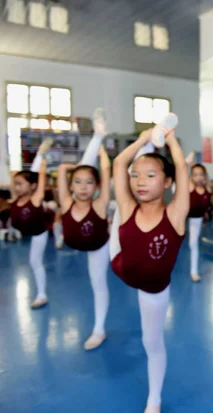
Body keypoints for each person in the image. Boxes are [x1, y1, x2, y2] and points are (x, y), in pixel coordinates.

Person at [109, 114, 189, 413]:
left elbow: (181, 166)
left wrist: (168, 136)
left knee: (151, 342)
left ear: (168, 182)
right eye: (136, 175)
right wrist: (143, 139)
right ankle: (111, 228)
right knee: (118, 220)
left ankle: (153, 399)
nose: (140, 182)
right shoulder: (129, 205)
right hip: (120, 264)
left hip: (153, 289)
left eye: (151, 175)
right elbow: (119, 164)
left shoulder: (176, 214)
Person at [56, 109, 112, 350]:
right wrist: (70, 166)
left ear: (97, 188)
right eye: (77, 182)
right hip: (76, 241)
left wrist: (103, 157)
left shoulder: (99, 204)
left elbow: (106, 173)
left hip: (100, 245)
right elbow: (61, 173)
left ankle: (99, 330)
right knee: (83, 168)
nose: (83, 187)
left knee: (98, 283)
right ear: (70, 185)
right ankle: (98, 134)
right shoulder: (66, 202)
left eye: (89, 183)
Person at [9, 138, 55, 308]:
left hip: (38, 232)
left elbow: (39, 178)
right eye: (16, 185)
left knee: (35, 262)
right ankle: (40, 153)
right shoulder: (16, 198)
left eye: (21, 184)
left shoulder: (35, 198)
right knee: (33, 262)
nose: (17, 187)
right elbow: (19, 181)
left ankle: (42, 295)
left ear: (33, 186)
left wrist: (43, 164)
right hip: (23, 229)